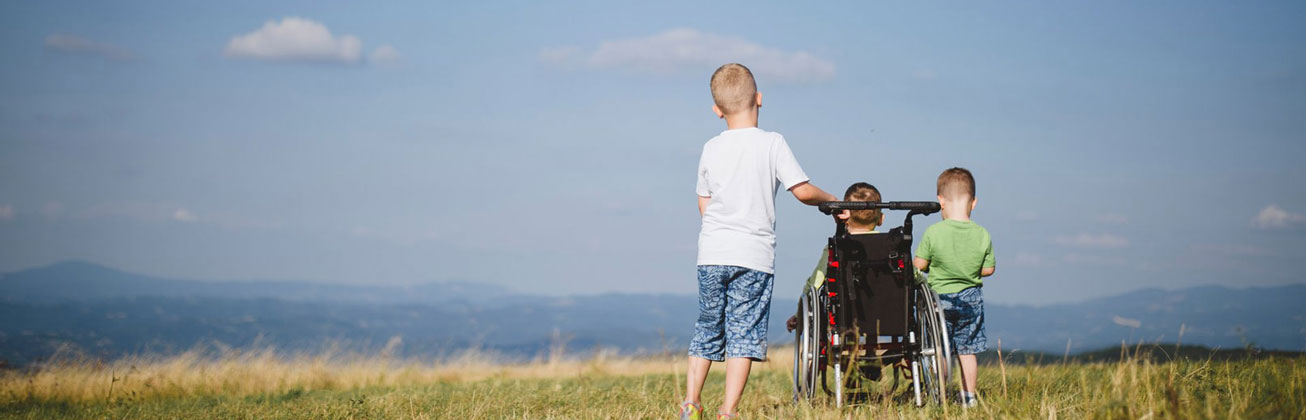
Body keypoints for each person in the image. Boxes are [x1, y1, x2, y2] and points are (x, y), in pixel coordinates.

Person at [681, 63, 838, 420]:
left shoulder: (710, 148)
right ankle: (728, 411)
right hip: (753, 256)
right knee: (743, 334)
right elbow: (802, 191)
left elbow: (703, 200)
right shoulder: (772, 143)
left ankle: (691, 404)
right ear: (759, 99)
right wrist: (833, 203)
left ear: (716, 110)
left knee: (707, 328)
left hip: (712, 253)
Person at [912, 167, 996, 408]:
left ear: (940, 201)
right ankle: (969, 397)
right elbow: (989, 269)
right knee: (967, 351)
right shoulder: (982, 234)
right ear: (974, 202)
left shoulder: (934, 232)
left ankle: (940, 396)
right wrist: (967, 270)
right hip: (971, 299)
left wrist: (934, 267)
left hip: (939, 299)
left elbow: (919, 265)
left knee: (940, 349)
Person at [785, 182, 886, 332]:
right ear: (881, 219)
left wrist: (800, 313)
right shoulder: (891, 246)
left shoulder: (838, 248)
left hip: (846, 316)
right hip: (888, 312)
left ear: (845, 216)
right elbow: (914, 275)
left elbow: (815, 284)